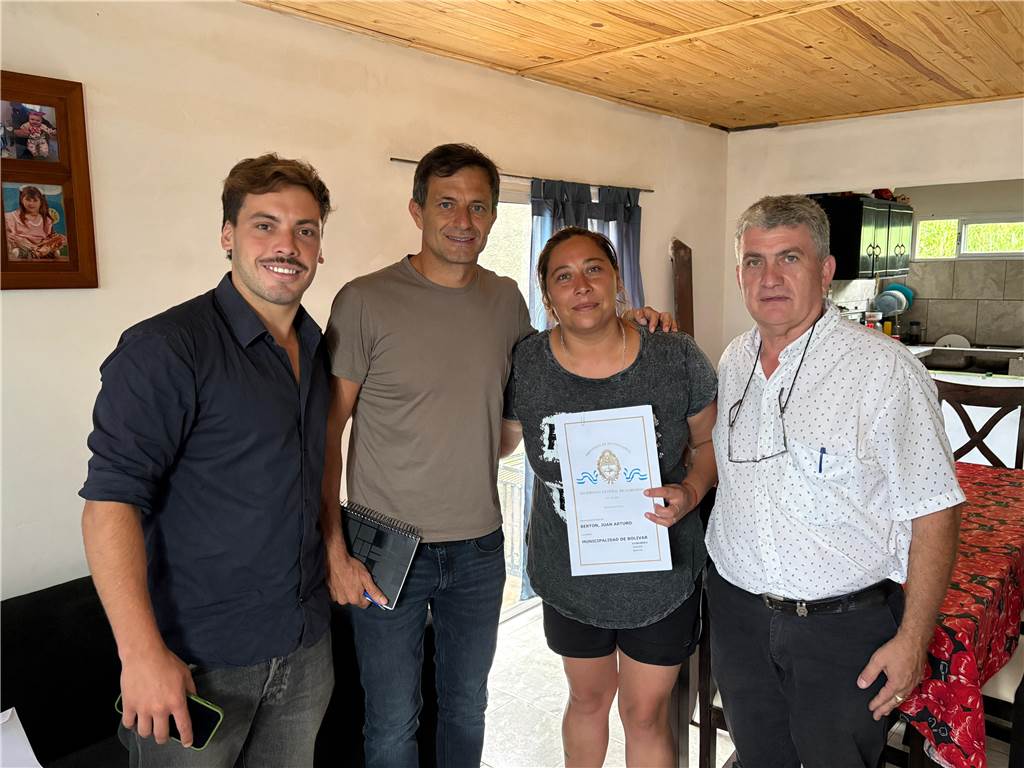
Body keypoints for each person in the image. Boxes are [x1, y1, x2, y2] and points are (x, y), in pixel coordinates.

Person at [320, 143, 673, 768]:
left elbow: (562, 364)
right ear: (417, 210)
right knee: (392, 721)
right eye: (446, 204)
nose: (464, 220)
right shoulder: (364, 301)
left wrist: (631, 321)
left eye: (479, 207)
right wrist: (334, 550)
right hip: (385, 550)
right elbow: (326, 434)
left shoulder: (506, 299)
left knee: (466, 708)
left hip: (479, 550)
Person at [80, 154, 335, 768]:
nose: (287, 245)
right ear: (227, 235)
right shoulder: (165, 348)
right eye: (264, 225)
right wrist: (140, 654)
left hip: (304, 645)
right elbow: (109, 504)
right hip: (198, 662)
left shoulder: (315, 344)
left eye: (304, 230)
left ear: (319, 246)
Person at [705, 195, 964, 768]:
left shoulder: (884, 370)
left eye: (789, 258)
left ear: (825, 271)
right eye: (753, 261)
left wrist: (913, 639)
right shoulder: (733, 359)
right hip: (739, 619)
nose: (769, 278)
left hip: (842, 633)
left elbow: (936, 510)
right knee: (758, 757)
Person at [501, 227, 718, 767]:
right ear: (547, 296)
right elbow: (499, 440)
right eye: (564, 276)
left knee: (644, 715)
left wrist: (691, 491)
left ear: (617, 281)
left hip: (660, 574)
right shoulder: (526, 365)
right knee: (587, 699)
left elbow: (710, 443)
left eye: (594, 269)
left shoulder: (673, 355)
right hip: (571, 575)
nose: (581, 285)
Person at [4, 185, 67, 259]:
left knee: (57, 245)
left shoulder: (46, 220)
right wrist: (21, 242)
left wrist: (52, 243)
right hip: (22, 246)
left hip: (41, 247)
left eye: (35, 200)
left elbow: (49, 237)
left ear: (41, 202)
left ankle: (38, 254)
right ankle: (30, 254)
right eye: (28, 200)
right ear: (21, 199)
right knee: (15, 250)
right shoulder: (11, 216)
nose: (31, 203)